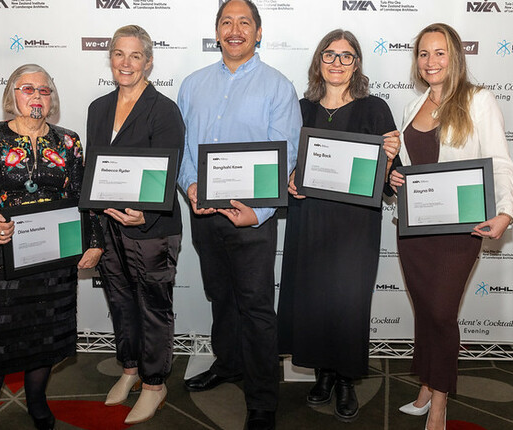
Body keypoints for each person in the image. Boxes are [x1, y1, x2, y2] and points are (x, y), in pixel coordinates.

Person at [0, 64, 104, 430]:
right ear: (12, 96)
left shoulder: (68, 141)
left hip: (55, 259)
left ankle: (37, 402)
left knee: (45, 335)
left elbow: (82, 197)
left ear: (51, 99)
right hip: (2, 257)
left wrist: (96, 242)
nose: (37, 96)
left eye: (44, 90)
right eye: (27, 89)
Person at [176, 1, 301, 429]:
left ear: (259, 32)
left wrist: (261, 211)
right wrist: (190, 186)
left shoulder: (277, 87)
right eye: (226, 22)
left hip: (252, 220)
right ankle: (228, 364)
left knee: (256, 307)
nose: (234, 30)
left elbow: (286, 156)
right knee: (221, 297)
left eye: (243, 22)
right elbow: (183, 150)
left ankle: (263, 399)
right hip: (205, 215)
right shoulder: (192, 85)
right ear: (216, 31)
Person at [388, 23, 513, 430]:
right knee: (425, 310)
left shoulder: (478, 101)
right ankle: (426, 386)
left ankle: (440, 401)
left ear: (455, 56)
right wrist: (396, 179)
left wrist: (505, 212)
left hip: (460, 230)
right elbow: (410, 168)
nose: (431, 61)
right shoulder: (413, 106)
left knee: (442, 313)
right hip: (415, 228)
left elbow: (499, 162)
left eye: (439, 53)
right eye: (424, 54)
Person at [277, 29, 401, 423]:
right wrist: (290, 181)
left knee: (348, 302)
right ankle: (324, 374)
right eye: (329, 55)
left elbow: (389, 177)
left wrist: (391, 159)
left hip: (354, 226)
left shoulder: (375, 108)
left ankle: (346, 379)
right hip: (310, 219)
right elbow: (287, 165)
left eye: (346, 56)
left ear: (357, 64)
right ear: (319, 61)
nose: (336, 63)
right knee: (313, 299)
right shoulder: (299, 108)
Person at [86, 25, 184, 425]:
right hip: (109, 224)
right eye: (118, 54)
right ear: (110, 58)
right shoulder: (97, 108)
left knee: (153, 306)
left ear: (149, 61)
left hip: (152, 227)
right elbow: (92, 171)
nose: (126, 63)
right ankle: (129, 370)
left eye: (135, 56)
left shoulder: (164, 110)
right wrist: (92, 228)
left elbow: (169, 167)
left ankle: (155, 383)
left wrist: (149, 212)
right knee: (120, 301)